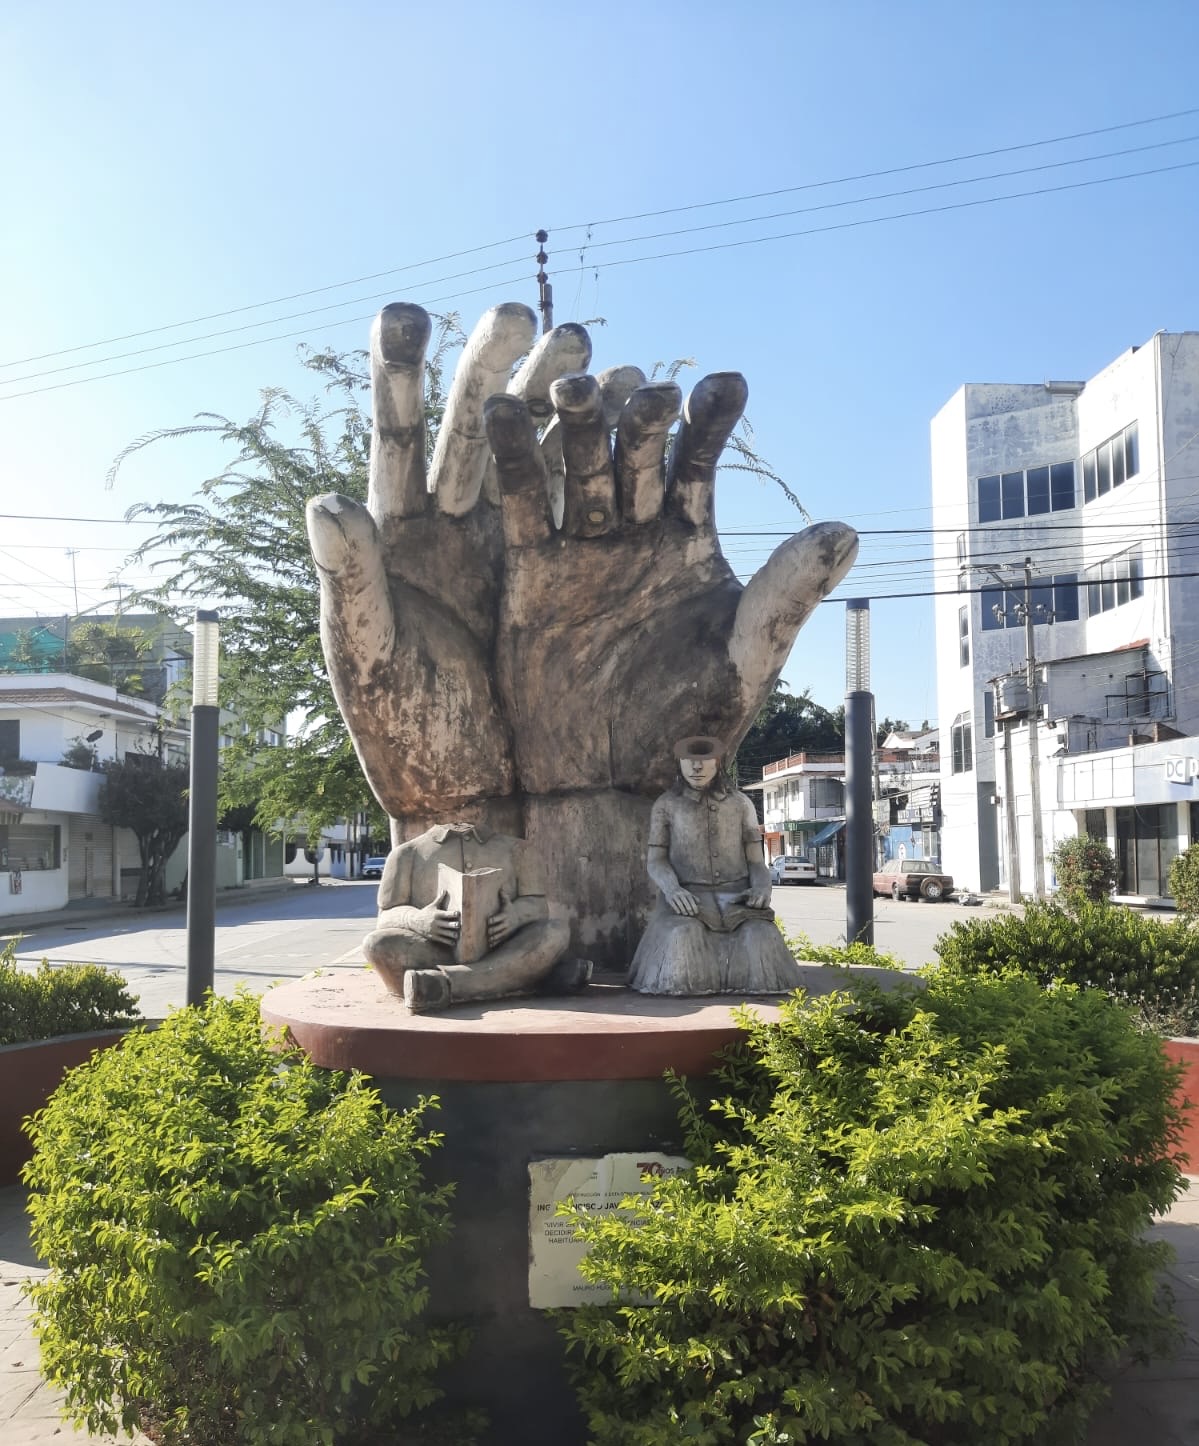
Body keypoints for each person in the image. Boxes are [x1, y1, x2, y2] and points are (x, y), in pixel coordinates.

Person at [628, 736, 802, 995]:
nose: (696, 768)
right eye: (689, 761)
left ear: (718, 762)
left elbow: (756, 861)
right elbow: (656, 860)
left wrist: (762, 887)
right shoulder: (666, 805)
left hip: (737, 900)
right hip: (687, 899)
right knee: (683, 936)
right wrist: (672, 889)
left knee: (761, 937)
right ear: (679, 763)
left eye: (704, 761)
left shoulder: (741, 804)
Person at [363, 822, 583, 1011]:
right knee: (376, 944)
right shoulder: (406, 853)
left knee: (556, 931)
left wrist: (515, 916)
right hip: (437, 951)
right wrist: (417, 920)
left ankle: (441, 985)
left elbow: (538, 906)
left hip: (504, 948)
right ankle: (530, 979)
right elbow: (386, 916)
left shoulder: (518, 849)